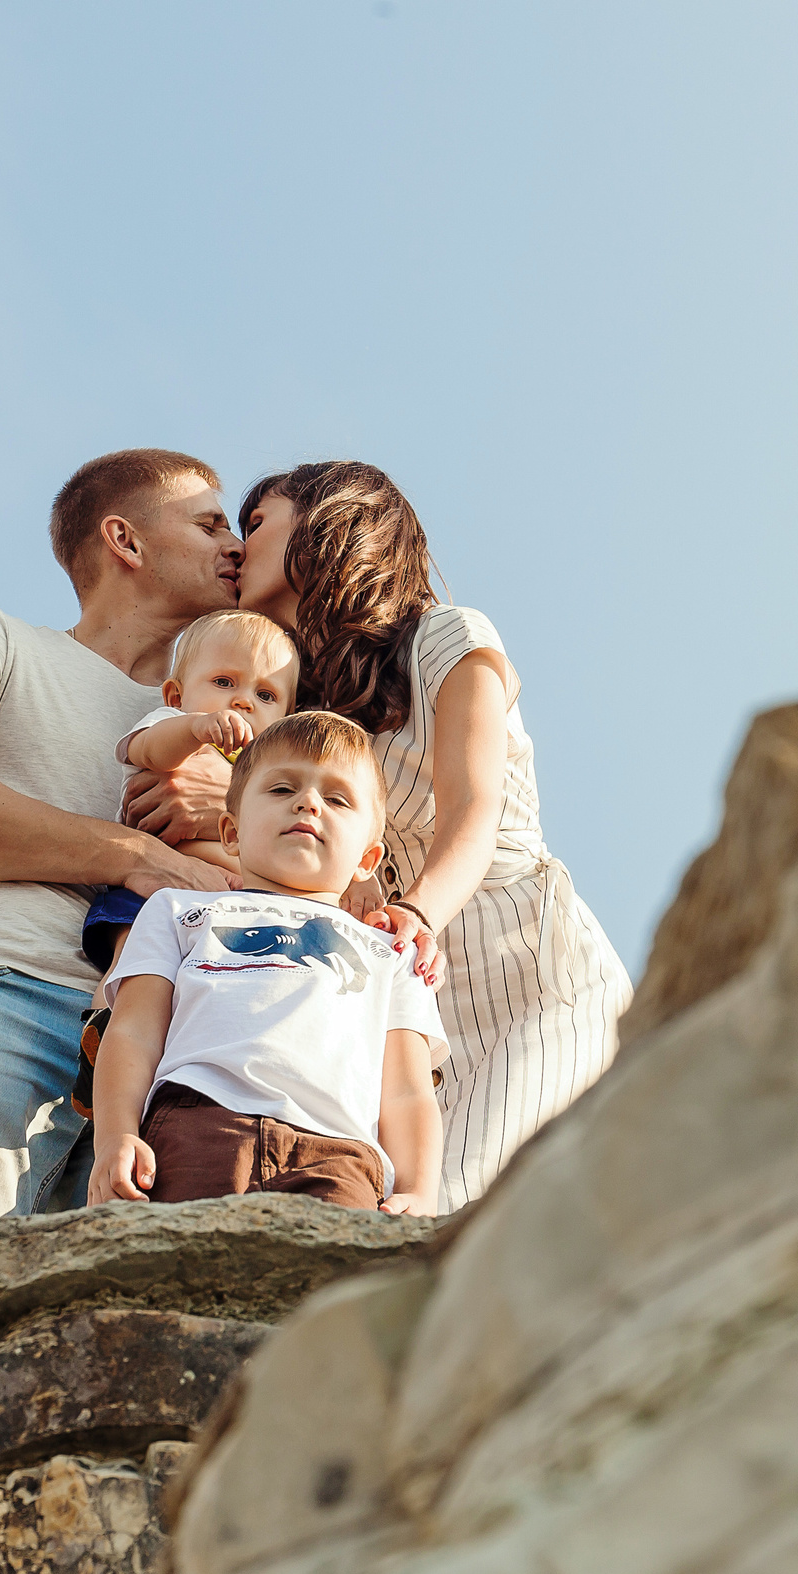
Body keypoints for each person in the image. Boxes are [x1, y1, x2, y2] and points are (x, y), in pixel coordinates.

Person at [0, 448, 243, 1253]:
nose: (234, 545)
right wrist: (134, 854)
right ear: (126, 541)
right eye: (210, 524)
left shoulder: (237, 720)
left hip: (171, 1048)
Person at [233, 461, 632, 1210]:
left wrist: (414, 912)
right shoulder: (307, 711)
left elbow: (472, 810)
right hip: (417, 1021)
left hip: (532, 981)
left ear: (327, 519)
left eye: (256, 522)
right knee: (403, 1221)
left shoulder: (448, 637)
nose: (236, 546)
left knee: (455, 1217)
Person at [87, 711, 446, 1215]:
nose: (308, 803)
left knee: (328, 1293)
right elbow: (132, 1033)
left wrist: (421, 1190)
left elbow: (408, 1092)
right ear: (230, 832)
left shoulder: (392, 954)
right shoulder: (177, 910)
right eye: (281, 790)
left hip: (341, 1158)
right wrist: (115, 1137)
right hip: (196, 1127)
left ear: (368, 859)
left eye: (337, 798)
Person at [77, 609, 300, 978]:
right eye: (225, 682)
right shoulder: (172, 726)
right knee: (137, 967)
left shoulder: (273, 768)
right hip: (154, 891)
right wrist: (195, 728)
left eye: (265, 694)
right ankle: (104, 1022)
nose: (244, 701)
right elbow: (145, 750)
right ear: (176, 695)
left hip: (238, 905)